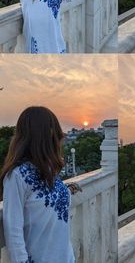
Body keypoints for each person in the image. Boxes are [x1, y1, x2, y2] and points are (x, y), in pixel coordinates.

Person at [0, 106, 80, 263]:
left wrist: (67, 190)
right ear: (45, 135)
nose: (58, 140)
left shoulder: (48, 169)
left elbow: (46, 205)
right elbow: (13, 230)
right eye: (54, 133)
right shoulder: (17, 176)